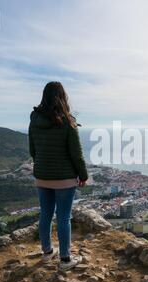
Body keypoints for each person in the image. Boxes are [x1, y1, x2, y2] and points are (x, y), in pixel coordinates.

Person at [28, 81, 88, 270]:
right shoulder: (68, 122)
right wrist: (83, 175)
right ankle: (65, 259)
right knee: (63, 217)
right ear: (63, 97)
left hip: (42, 175)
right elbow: (76, 154)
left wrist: (43, 164)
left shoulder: (34, 119)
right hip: (64, 179)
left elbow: (32, 149)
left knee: (45, 214)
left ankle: (47, 252)